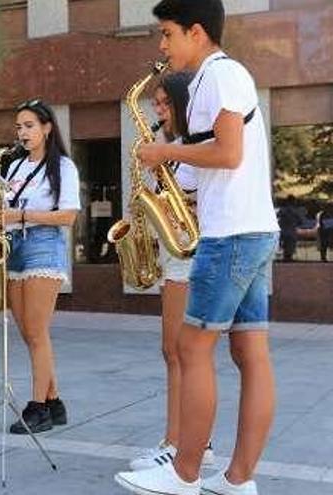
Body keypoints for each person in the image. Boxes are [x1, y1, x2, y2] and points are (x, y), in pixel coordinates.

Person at [116, 1, 280, 494]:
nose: (162, 47)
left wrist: (163, 149)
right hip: (250, 230)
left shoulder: (220, 75)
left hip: (230, 235)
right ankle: (238, 480)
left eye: (167, 34)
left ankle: (184, 473)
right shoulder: (220, 79)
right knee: (250, 351)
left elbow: (228, 154)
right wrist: (167, 162)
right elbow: (212, 158)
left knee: (191, 346)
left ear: (196, 31)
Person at [128, 73, 216, 470]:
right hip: (176, 252)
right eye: (156, 104)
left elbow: (201, 199)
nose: (158, 110)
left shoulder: (191, 147)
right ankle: (191, 441)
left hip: (188, 253)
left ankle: (178, 443)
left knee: (178, 351)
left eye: (164, 103)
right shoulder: (177, 146)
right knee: (178, 352)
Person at [3, 99, 80, 434]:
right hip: (14, 246)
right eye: (19, 127)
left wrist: (21, 215)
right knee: (29, 333)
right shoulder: (14, 167)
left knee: (36, 332)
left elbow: (68, 216)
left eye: (29, 126)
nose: (22, 132)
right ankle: (55, 402)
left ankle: (38, 409)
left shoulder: (63, 167)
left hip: (43, 245)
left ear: (47, 128)